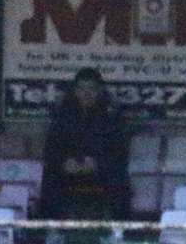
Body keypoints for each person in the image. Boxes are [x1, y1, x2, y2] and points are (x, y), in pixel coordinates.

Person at [41, 67, 129, 221]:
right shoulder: (63, 115)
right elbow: (50, 150)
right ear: (75, 91)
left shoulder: (111, 116)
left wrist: (98, 163)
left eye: (91, 89)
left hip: (101, 173)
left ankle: (118, 237)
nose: (86, 94)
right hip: (68, 172)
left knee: (120, 184)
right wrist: (64, 162)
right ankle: (48, 237)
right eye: (82, 89)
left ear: (100, 91)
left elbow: (119, 152)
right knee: (49, 181)